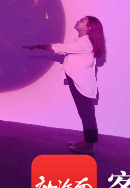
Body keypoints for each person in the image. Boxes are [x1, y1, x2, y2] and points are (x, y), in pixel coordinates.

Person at [23, 16, 106, 155]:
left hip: (82, 84)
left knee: (87, 114)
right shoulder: (81, 41)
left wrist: (37, 46)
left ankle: (89, 145)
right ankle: (86, 141)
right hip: (78, 82)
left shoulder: (85, 43)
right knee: (84, 113)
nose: (78, 21)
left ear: (88, 28)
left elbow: (58, 48)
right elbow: (63, 50)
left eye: (82, 21)